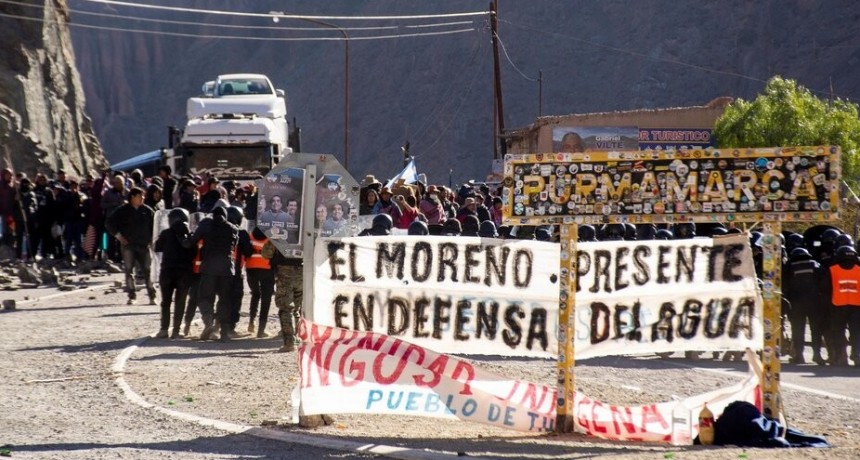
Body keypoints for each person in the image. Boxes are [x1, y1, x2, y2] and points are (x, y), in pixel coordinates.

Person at [182, 206, 239, 341]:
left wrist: (184, 237)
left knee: (204, 297)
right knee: (225, 300)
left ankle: (208, 322)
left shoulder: (205, 226)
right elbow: (235, 245)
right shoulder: (233, 228)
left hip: (209, 268)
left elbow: (191, 242)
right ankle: (224, 333)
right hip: (226, 269)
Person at [105, 187, 156, 305]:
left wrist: (152, 240)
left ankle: (152, 296)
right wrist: (118, 236)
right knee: (129, 270)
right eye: (140, 196)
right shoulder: (122, 210)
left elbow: (154, 225)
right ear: (132, 197)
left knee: (148, 271)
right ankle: (132, 296)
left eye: (143, 196)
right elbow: (109, 223)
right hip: (128, 245)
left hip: (144, 245)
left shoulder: (148, 210)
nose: (142, 198)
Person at [154, 208, 195, 338]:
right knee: (180, 302)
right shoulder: (191, 235)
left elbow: (157, 247)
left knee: (165, 302)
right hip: (184, 272)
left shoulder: (166, 233)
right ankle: (176, 331)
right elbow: (194, 253)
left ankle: (163, 329)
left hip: (167, 271)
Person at [785, 247, 826, 365]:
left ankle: (799, 356)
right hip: (814, 302)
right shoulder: (814, 264)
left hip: (796, 303)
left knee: (797, 329)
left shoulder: (790, 265)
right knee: (816, 329)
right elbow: (824, 280)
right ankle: (817, 355)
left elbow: (785, 284)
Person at [820, 245, 860, 366]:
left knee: (838, 332)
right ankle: (857, 355)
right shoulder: (859, 269)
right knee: (856, 332)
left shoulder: (832, 270)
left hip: (837, 306)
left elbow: (825, 289)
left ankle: (840, 356)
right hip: (856, 306)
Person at [262, 239, 303, 352]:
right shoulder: (306, 233)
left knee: (285, 308)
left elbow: (266, 254)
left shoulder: (279, 235)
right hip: (302, 273)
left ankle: (289, 344)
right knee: (297, 309)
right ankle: (298, 342)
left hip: (284, 273)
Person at [246, 227, 275, 337]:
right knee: (266, 299)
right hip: (267, 269)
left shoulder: (250, 236)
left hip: (251, 269)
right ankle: (261, 330)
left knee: (255, 294)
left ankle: (251, 322)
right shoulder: (271, 238)